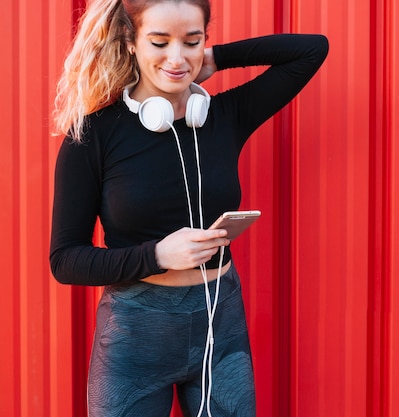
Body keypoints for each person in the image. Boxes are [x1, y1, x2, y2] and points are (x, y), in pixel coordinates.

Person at [49, 0, 328, 415]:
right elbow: (65, 260)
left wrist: (215, 59)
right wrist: (157, 255)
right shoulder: (92, 136)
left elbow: (311, 49)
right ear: (130, 41)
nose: (176, 59)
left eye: (191, 41)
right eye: (159, 42)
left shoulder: (223, 116)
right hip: (136, 332)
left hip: (221, 320)